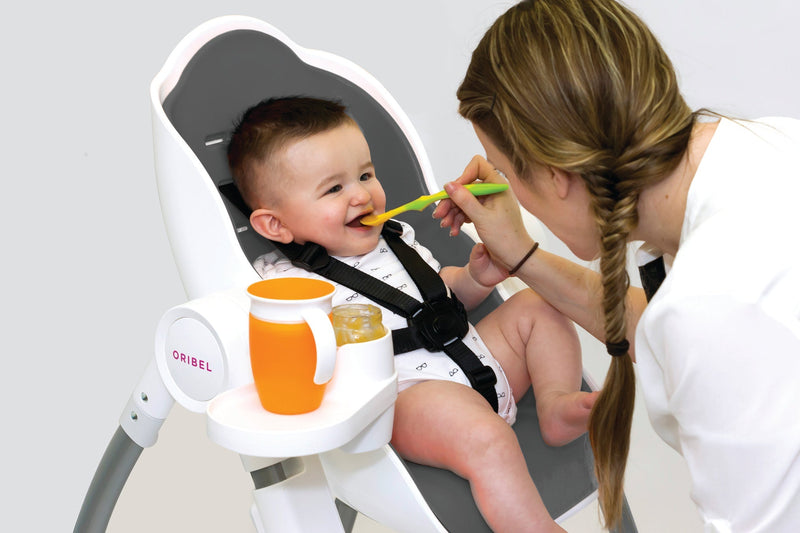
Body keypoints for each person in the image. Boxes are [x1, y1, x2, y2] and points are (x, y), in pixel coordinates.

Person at [432, 0, 800, 531]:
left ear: (556, 175)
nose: (508, 192)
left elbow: (707, 323)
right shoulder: (769, 144)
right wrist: (523, 256)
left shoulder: (713, 307)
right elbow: (662, 325)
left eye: (508, 174)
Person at [227, 96, 598, 532]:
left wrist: (475, 278)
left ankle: (555, 406)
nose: (362, 194)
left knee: (537, 304)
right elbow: (295, 357)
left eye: (365, 175)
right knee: (487, 439)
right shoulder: (288, 281)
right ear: (276, 225)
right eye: (334, 189)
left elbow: (442, 296)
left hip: (478, 362)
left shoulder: (397, 237)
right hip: (408, 399)